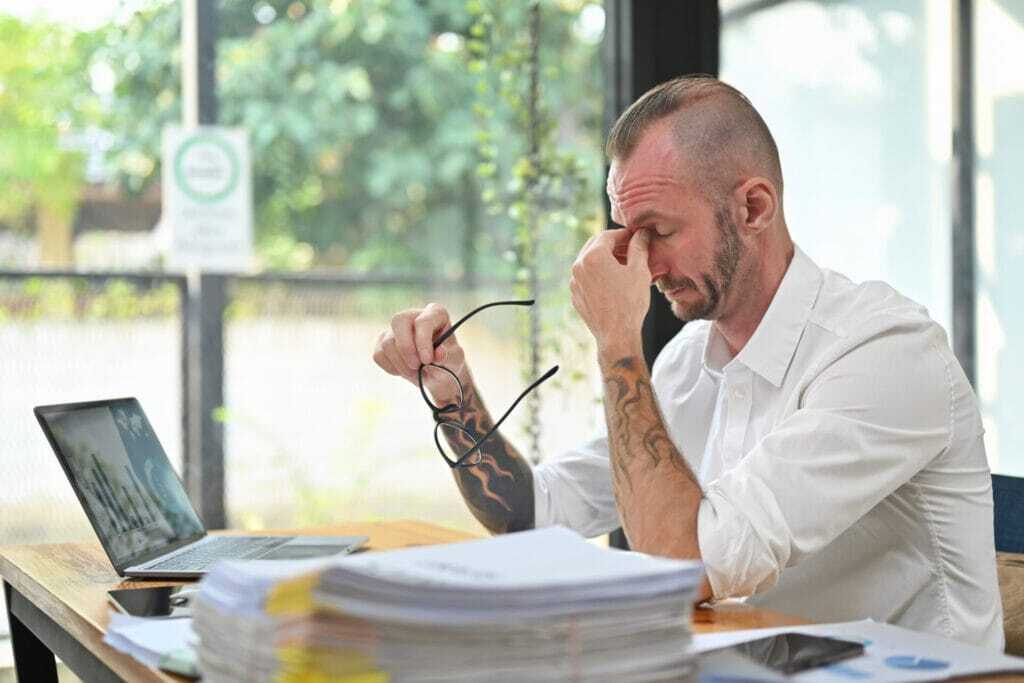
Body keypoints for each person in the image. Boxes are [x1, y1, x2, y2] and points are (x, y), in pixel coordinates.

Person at [372, 75, 1004, 649]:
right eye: (627, 234)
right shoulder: (690, 362)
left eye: (659, 232)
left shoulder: (884, 352)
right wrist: (451, 390)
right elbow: (532, 516)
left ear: (754, 208)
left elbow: (689, 562)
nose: (641, 266)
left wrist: (618, 339)